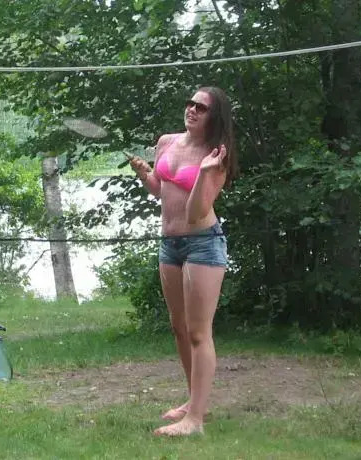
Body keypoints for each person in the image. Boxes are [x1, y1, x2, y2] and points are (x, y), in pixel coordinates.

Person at [128, 86, 238, 436]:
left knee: (198, 332)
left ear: (214, 117)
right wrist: (145, 173)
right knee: (179, 327)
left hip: (203, 244)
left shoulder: (216, 156)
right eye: (190, 103)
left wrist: (204, 172)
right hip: (169, 244)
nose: (191, 109)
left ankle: (196, 421)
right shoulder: (167, 142)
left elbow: (194, 214)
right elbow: (161, 189)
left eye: (201, 108)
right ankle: (193, 402)